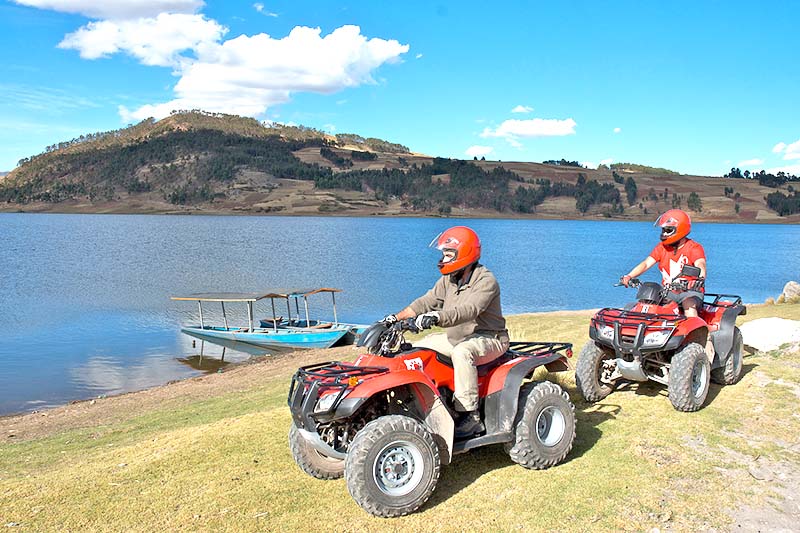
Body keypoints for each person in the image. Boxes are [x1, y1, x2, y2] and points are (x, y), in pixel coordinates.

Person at [383, 226, 509, 438]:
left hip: (490, 338)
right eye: (444, 253)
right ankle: (426, 400)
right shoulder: (449, 279)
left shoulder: (486, 281)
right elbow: (426, 302)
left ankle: (470, 415)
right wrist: (395, 318)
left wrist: (437, 317)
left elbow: (469, 310)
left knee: (462, 353)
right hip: (458, 336)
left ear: (465, 253)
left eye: (449, 254)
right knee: (418, 349)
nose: (444, 258)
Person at [620, 209, 707, 318]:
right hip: (668, 291)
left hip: (690, 292)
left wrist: (700, 279)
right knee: (647, 302)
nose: (664, 233)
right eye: (663, 230)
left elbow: (700, 264)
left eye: (668, 230)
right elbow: (646, 263)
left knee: (688, 305)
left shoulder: (694, 247)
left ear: (680, 229)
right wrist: (629, 276)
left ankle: (697, 332)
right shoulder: (662, 248)